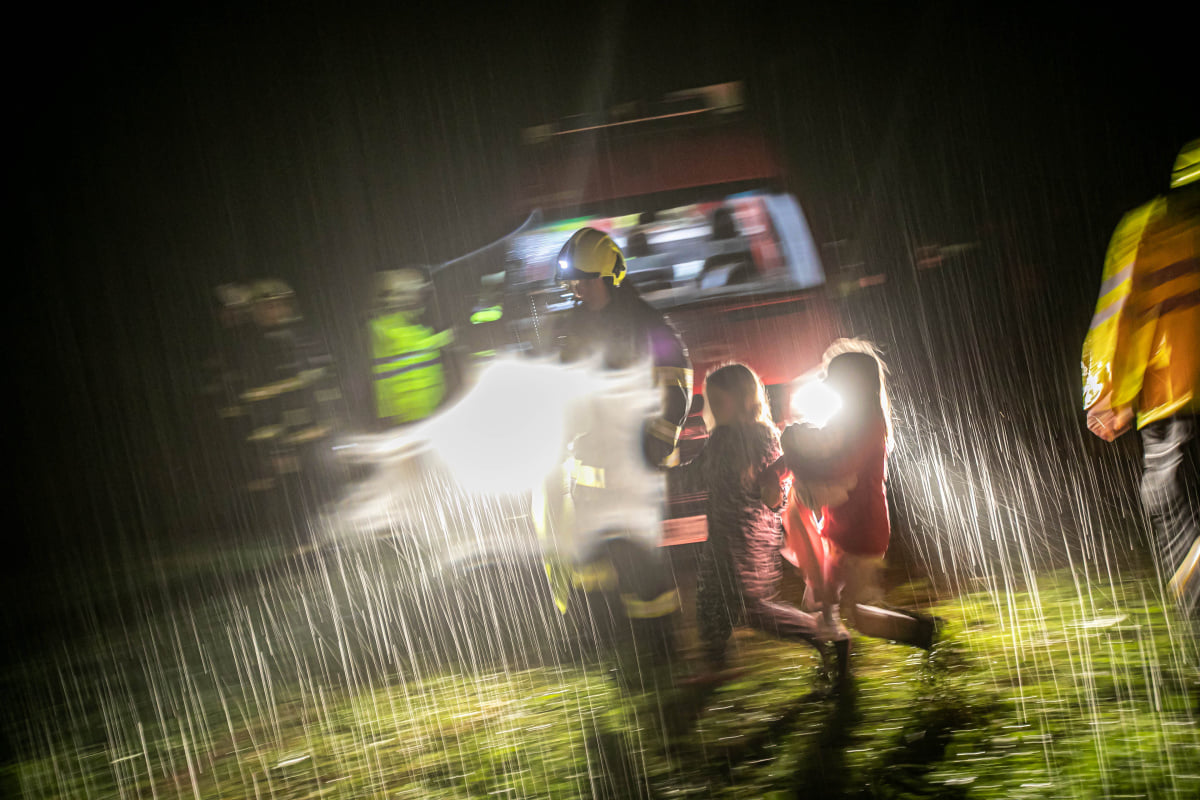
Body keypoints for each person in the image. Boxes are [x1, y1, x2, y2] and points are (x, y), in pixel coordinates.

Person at [539, 227, 693, 670]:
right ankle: (606, 644)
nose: (577, 290)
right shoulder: (573, 327)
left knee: (642, 566)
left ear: (609, 277)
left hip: (633, 472)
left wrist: (655, 447)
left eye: (585, 281)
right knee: (589, 562)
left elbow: (677, 387)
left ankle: (661, 651)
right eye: (573, 282)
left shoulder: (646, 325)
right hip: (589, 468)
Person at [762, 340, 939, 664]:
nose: (826, 383)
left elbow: (836, 466)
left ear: (854, 384)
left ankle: (925, 632)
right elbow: (819, 453)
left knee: (860, 615)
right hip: (840, 527)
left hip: (861, 530)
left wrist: (795, 450)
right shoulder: (844, 420)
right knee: (825, 602)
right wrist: (784, 466)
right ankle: (838, 666)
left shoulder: (867, 425)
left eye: (833, 378)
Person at [1082, 139, 1199, 619]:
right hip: (1173, 400)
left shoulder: (1148, 226)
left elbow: (1119, 316)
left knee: (1173, 509)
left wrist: (1108, 396)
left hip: (1174, 401)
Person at [679, 362, 844, 685]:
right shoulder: (721, 438)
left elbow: (776, 486)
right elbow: (696, 474)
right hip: (722, 535)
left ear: (743, 400)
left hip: (747, 536)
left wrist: (771, 499)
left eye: (719, 401)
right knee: (710, 599)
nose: (713, 408)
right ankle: (716, 665)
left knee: (751, 609)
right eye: (711, 401)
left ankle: (820, 632)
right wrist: (665, 476)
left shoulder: (761, 436)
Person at [370, 268, 454, 427]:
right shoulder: (382, 327)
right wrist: (443, 338)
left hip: (430, 411)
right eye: (403, 292)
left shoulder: (413, 322)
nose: (411, 297)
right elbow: (409, 346)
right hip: (407, 415)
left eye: (414, 291)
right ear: (389, 297)